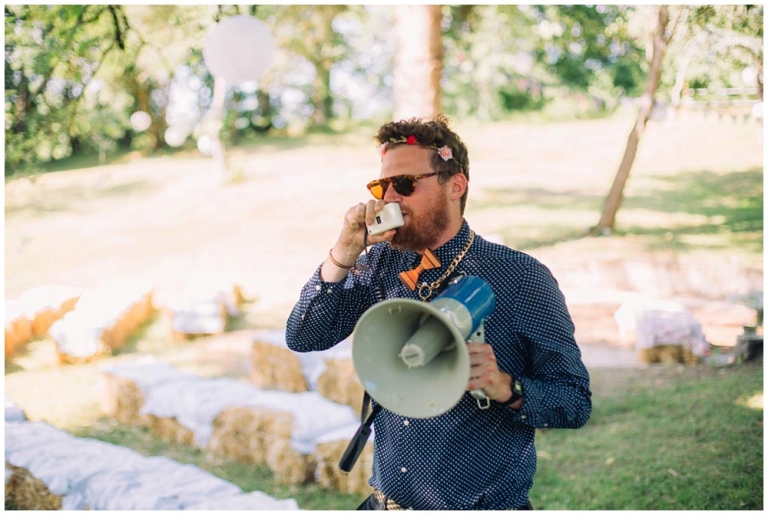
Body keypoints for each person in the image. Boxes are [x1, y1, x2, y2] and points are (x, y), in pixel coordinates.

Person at [286, 114, 592, 510]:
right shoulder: (379, 263)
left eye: (405, 184)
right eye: (382, 186)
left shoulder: (520, 277)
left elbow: (574, 401)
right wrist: (344, 253)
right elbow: (304, 336)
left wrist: (507, 388)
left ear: (456, 185)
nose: (389, 198)